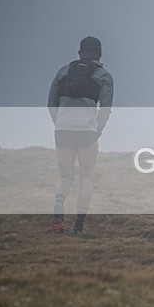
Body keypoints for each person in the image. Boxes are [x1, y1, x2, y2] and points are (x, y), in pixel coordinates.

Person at [47, 36, 114, 234]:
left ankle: (58, 215)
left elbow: (51, 103)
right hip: (87, 132)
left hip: (63, 130)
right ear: (100, 53)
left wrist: (59, 123)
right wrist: (98, 130)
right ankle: (78, 226)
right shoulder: (103, 76)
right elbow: (105, 108)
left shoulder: (63, 72)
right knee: (87, 177)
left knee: (66, 176)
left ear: (79, 52)